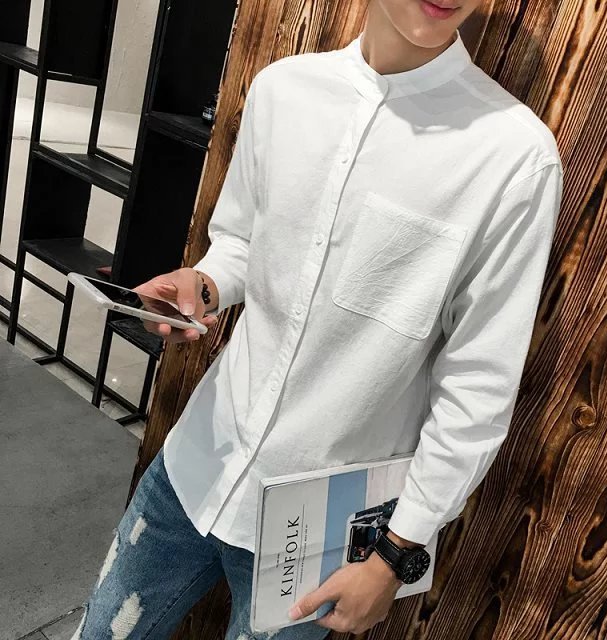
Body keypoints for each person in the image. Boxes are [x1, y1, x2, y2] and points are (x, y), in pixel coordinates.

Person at [72, 0, 563, 637]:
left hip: (316, 537)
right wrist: (204, 285)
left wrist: (395, 553)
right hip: (196, 463)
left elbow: (478, 387)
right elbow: (243, 241)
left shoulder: (513, 157)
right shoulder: (284, 91)